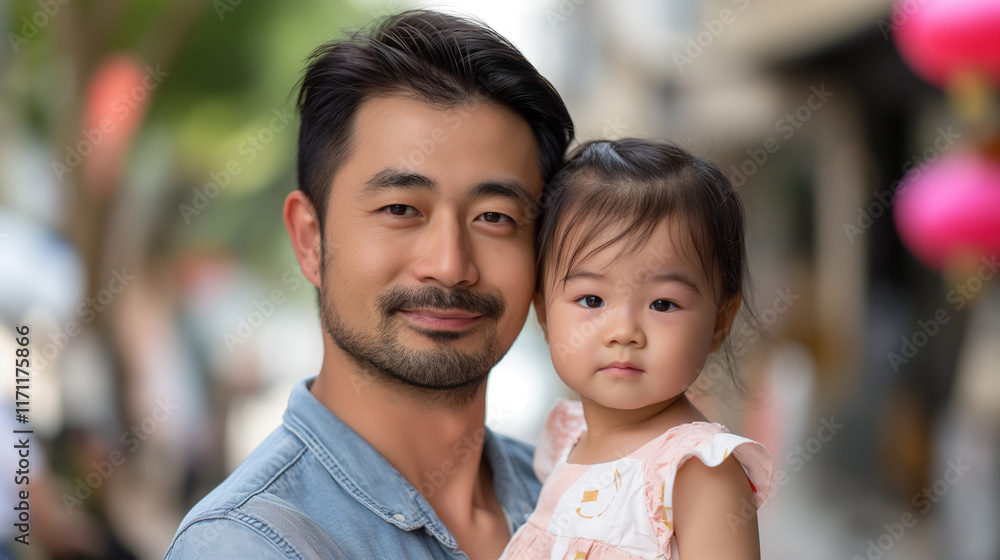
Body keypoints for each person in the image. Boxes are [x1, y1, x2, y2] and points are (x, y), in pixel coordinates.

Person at [164, 9, 573, 560]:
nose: (451, 266)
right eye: (401, 208)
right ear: (311, 240)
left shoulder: (586, 504)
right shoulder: (247, 545)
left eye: (495, 217)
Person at [501, 139, 773, 559]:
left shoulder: (696, 471)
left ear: (720, 321)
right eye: (592, 300)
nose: (624, 332)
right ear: (544, 314)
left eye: (662, 304)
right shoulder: (567, 443)